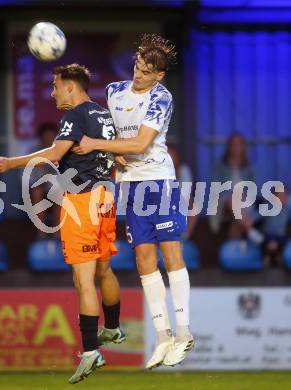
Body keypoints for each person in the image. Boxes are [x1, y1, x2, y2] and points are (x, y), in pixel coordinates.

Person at [0, 64, 125, 384]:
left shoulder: (74, 115)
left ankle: (91, 352)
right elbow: (118, 158)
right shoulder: (103, 114)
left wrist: (12, 162)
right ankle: (114, 328)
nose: (52, 93)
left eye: (55, 86)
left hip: (81, 202)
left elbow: (56, 152)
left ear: (70, 87)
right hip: (106, 196)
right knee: (104, 270)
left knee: (83, 280)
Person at [73, 34, 194, 368]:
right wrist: (112, 153)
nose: (138, 74)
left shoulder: (161, 97)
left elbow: (140, 144)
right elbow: (115, 134)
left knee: (171, 253)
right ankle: (163, 336)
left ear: (159, 75)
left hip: (158, 180)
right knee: (143, 258)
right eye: (137, 67)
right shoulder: (114, 91)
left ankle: (183, 332)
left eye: (146, 71)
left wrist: (98, 145)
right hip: (130, 185)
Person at [29, 122, 60, 238]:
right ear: (41, 138)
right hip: (36, 189)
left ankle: (58, 232)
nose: (49, 140)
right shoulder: (33, 151)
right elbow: (29, 178)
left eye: (51, 137)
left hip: (56, 188)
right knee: (37, 192)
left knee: (59, 192)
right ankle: (41, 233)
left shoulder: (61, 152)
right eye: (46, 137)